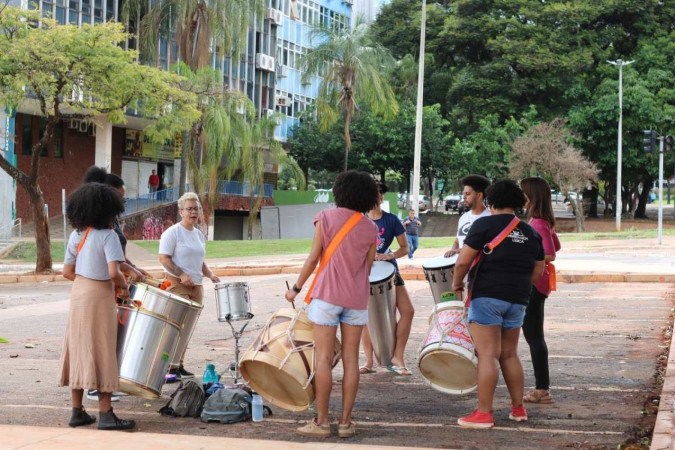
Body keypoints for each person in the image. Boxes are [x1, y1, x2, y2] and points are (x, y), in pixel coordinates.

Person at [284, 170, 378, 438]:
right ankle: (346, 422)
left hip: (327, 297)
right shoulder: (370, 227)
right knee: (351, 359)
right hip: (356, 299)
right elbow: (367, 267)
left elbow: (314, 258)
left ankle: (322, 422)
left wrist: (296, 289)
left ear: (340, 192)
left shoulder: (325, 218)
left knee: (323, 358)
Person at [451, 179, 544, 429]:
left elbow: (463, 261)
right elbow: (538, 270)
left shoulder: (484, 224)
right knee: (510, 353)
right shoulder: (530, 232)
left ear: (491, 201)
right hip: (519, 299)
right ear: (517, 203)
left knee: (488, 355)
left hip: (488, 297)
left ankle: (484, 413)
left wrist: (456, 283)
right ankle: (518, 409)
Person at [58, 182, 136, 431]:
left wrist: (86, 281)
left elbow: (67, 272)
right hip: (100, 295)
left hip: (79, 293)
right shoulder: (109, 236)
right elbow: (114, 272)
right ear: (107, 210)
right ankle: (106, 414)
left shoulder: (77, 235)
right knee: (103, 349)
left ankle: (77, 411)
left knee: (79, 348)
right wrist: (122, 287)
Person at [82, 166, 148, 402]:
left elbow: (117, 257)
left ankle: (108, 382)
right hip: (106, 288)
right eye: (120, 197)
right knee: (102, 337)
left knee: (113, 336)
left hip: (110, 286)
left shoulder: (111, 224)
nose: (122, 201)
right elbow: (112, 265)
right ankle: (96, 387)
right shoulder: (102, 229)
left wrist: (133, 269)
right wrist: (123, 279)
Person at [159, 192, 220, 379]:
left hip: (196, 287)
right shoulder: (173, 233)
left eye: (196, 208)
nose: (193, 212)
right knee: (174, 327)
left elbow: (199, 260)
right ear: (181, 211)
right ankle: (165, 367)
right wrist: (181, 273)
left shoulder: (199, 235)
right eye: (189, 209)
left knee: (187, 328)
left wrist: (209, 274)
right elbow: (163, 258)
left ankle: (178, 365)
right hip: (177, 285)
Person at [360, 183, 415, 376]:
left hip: (389, 273)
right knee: (364, 317)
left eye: (381, 194)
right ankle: (368, 360)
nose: (379, 197)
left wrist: (388, 256)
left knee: (408, 311)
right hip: (365, 274)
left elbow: (405, 248)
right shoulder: (359, 220)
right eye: (376, 194)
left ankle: (397, 356)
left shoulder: (391, 220)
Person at [520, 177, 561, 404]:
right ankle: (541, 387)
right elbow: (557, 246)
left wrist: (525, 256)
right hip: (540, 284)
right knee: (535, 335)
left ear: (531, 196)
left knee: (534, 336)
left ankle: (541, 389)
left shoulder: (536, 222)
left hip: (535, 283)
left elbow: (550, 253)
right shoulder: (542, 221)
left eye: (522, 192)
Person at [445, 175, 491, 257]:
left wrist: (467, 251)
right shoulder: (463, 217)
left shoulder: (490, 218)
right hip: (463, 267)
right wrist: (452, 250)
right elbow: (458, 241)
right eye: (463, 194)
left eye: (467, 194)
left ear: (479, 195)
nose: (464, 197)